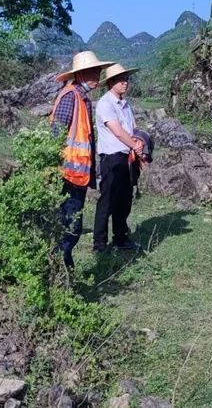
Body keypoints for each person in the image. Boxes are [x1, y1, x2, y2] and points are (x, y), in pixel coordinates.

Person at [49, 51, 113, 268]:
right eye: (93, 71)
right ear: (81, 74)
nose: (98, 75)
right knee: (70, 226)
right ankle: (60, 271)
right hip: (68, 173)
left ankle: (63, 270)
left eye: (98, 71)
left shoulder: (81, 97)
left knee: (70, 225)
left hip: (77, 173)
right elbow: (56, 132)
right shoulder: (71, 96)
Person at [94, 63, 146, 252]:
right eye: (120, 80)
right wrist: (135, 145)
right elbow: (117, 130)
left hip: (126, 156)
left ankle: (120, 238)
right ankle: (99, 243)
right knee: (107, 200)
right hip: (111, 157)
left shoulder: (125, 104)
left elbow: (132, 127)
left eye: (126, 79)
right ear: (111, 83)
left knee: (124, 199)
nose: (125, 83)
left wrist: (138, 143)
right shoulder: (105, 104)